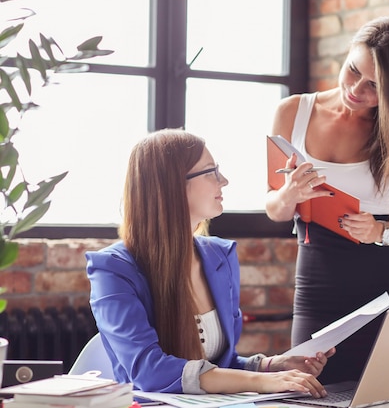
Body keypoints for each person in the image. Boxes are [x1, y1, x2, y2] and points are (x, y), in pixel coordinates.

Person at [265, 15, 389, 384]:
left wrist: (382, 230)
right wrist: (289, 194)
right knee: (309, 390)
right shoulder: (292, 113)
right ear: (347, 54)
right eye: (353, 71)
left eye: (375, 86)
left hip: (388, 291)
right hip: (317, 287)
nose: (356, 90)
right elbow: (275, 210)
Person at [86, 129, 333, 395]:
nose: (223, 181)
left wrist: (270, 366)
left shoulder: (220, 256)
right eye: (210, 172)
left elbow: (217, 366)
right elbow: (149, 372)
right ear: (172, 185)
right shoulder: (112, 269)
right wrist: (259, 382)